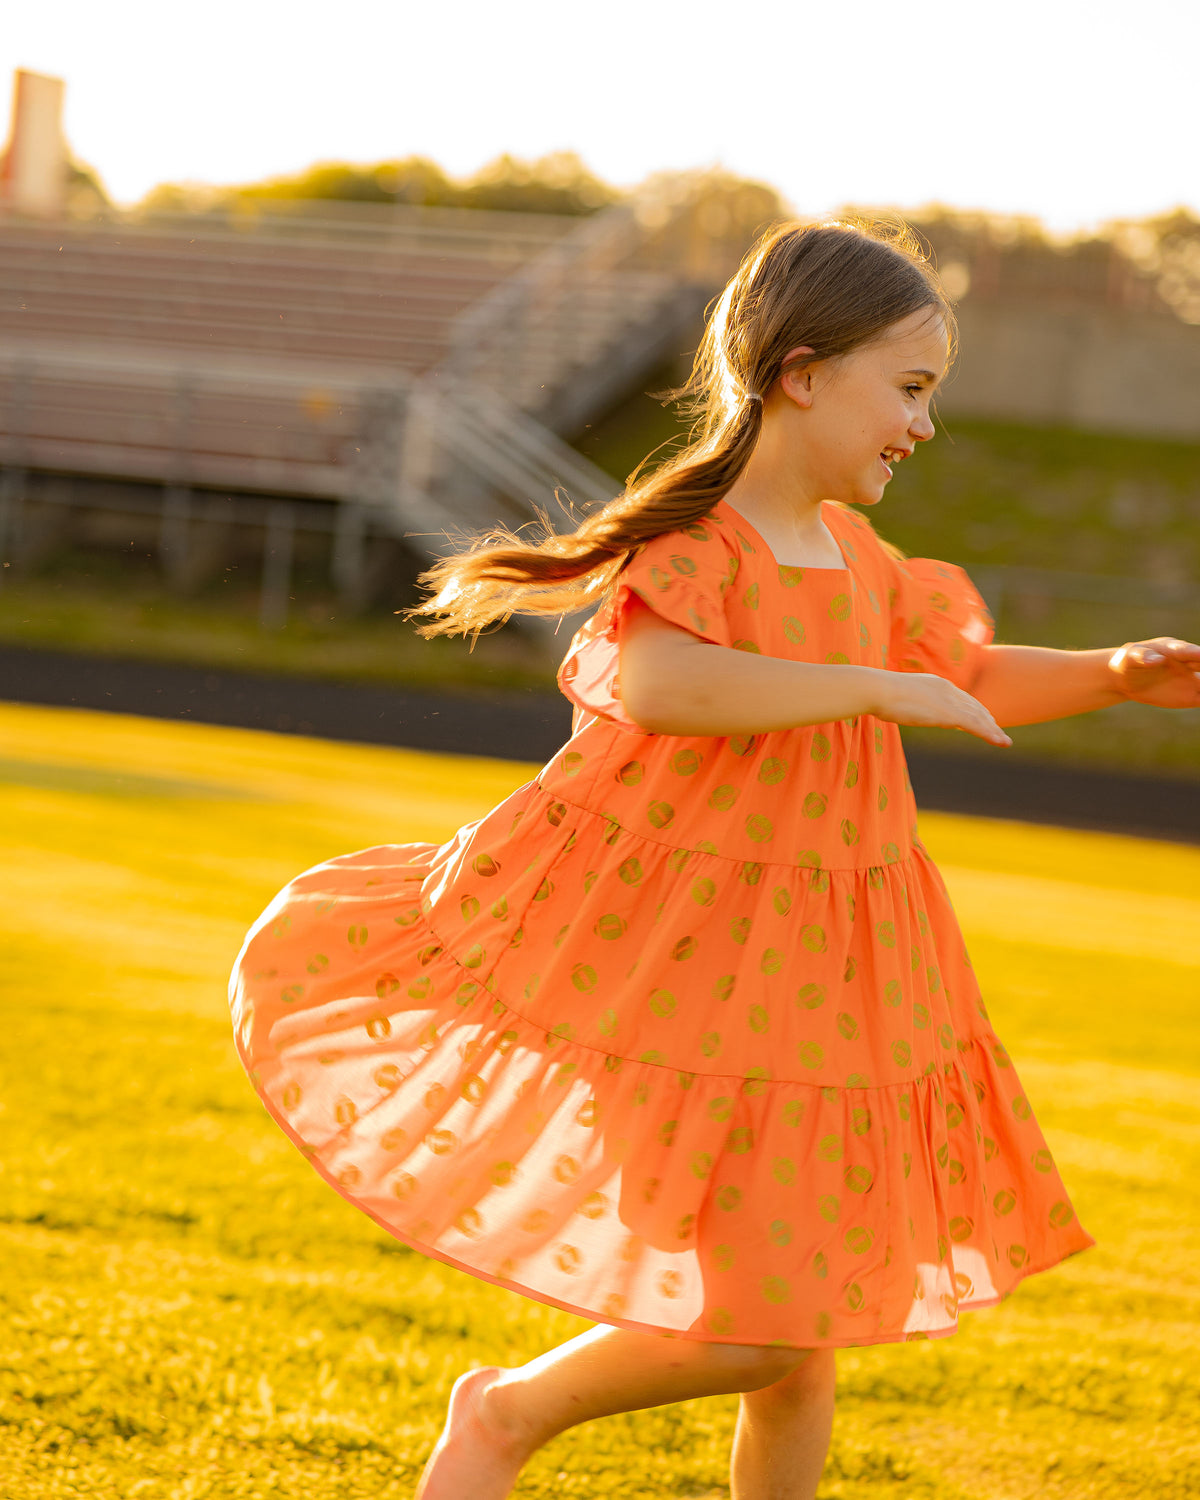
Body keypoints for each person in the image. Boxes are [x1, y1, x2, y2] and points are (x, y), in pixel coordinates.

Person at [228, 218, 1200, 1500]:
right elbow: (663, 683)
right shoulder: (702, 544)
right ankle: (507, 1415)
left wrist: (1116, 674)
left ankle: (514, 1422)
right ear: (804, 374)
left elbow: (963, 672)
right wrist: (871, 687)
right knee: (770, 1325)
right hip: (679, 974)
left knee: (807, 1338)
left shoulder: (859, 558)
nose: (922, 425)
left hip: (816, 983)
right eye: (909, 388)